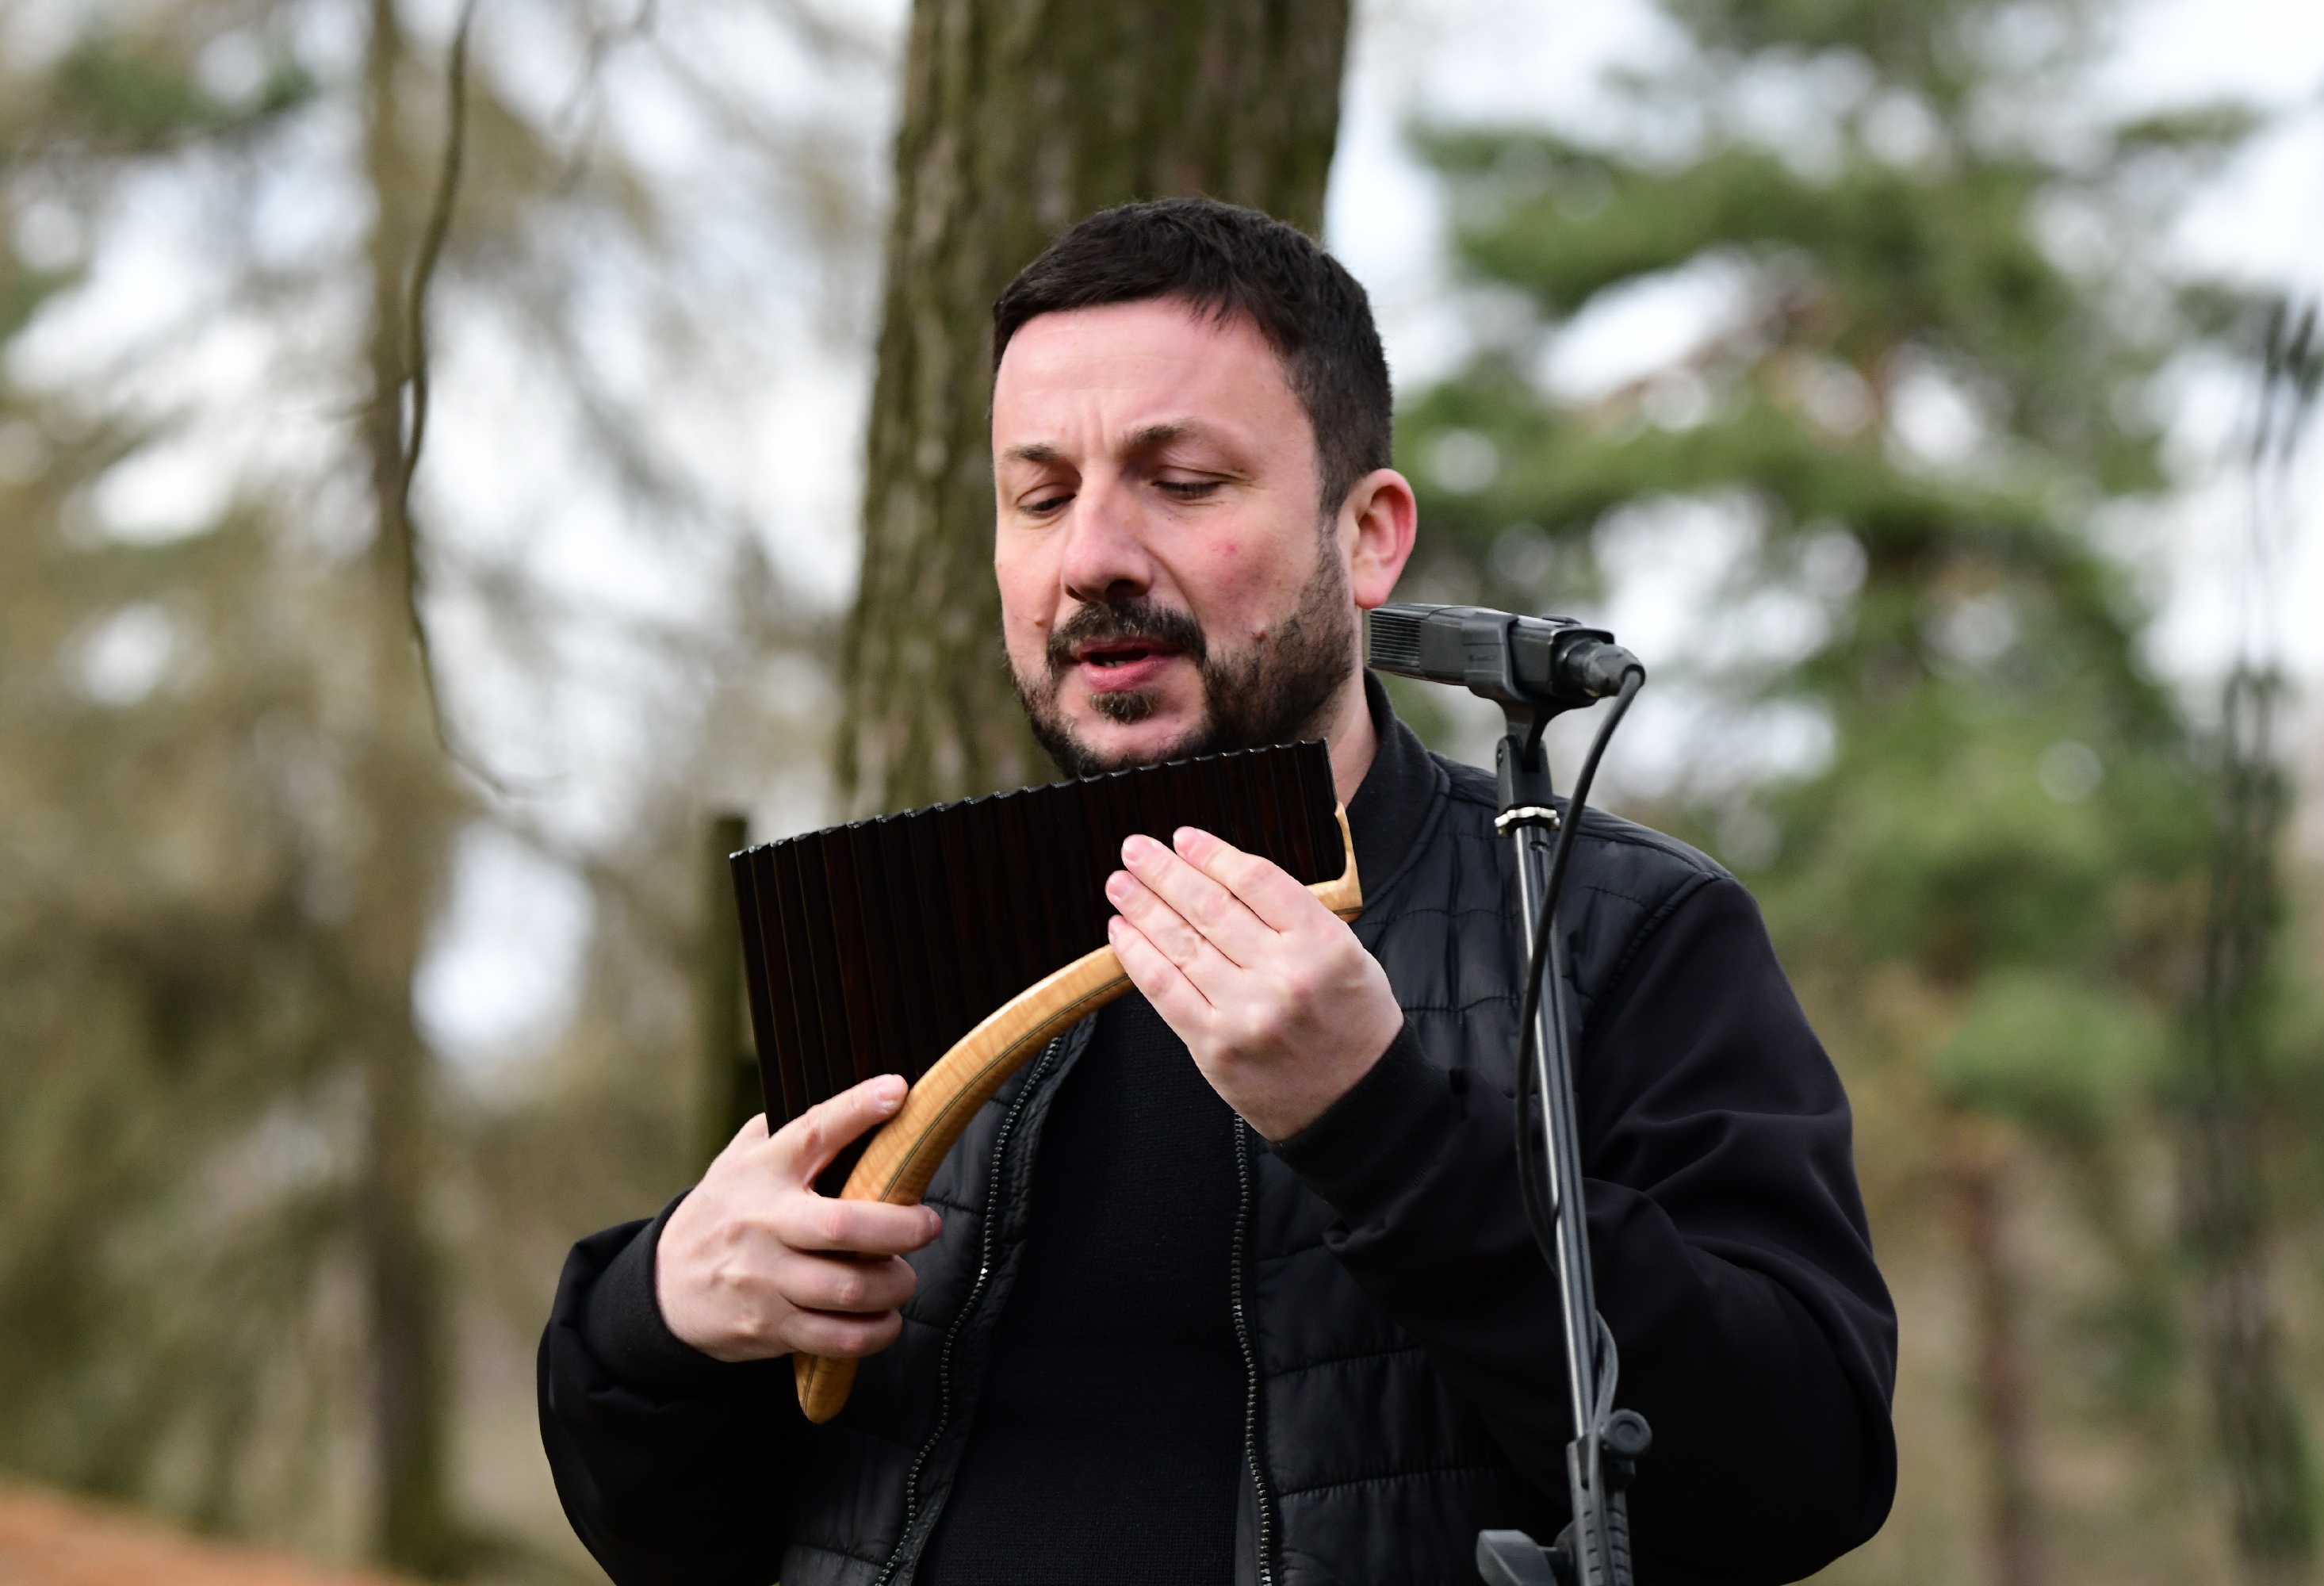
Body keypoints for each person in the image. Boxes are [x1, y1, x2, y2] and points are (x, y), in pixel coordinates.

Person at [538, 197, 1897, 1586]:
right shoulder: (896, 940)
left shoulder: (1613, 926)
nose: (1092, 559)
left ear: (1368, 538)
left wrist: (1384, 1129)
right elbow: (687, 1538)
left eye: (1181, 482)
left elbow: (1799, 1476)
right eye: (1041, 498)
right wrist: (651, 1326)